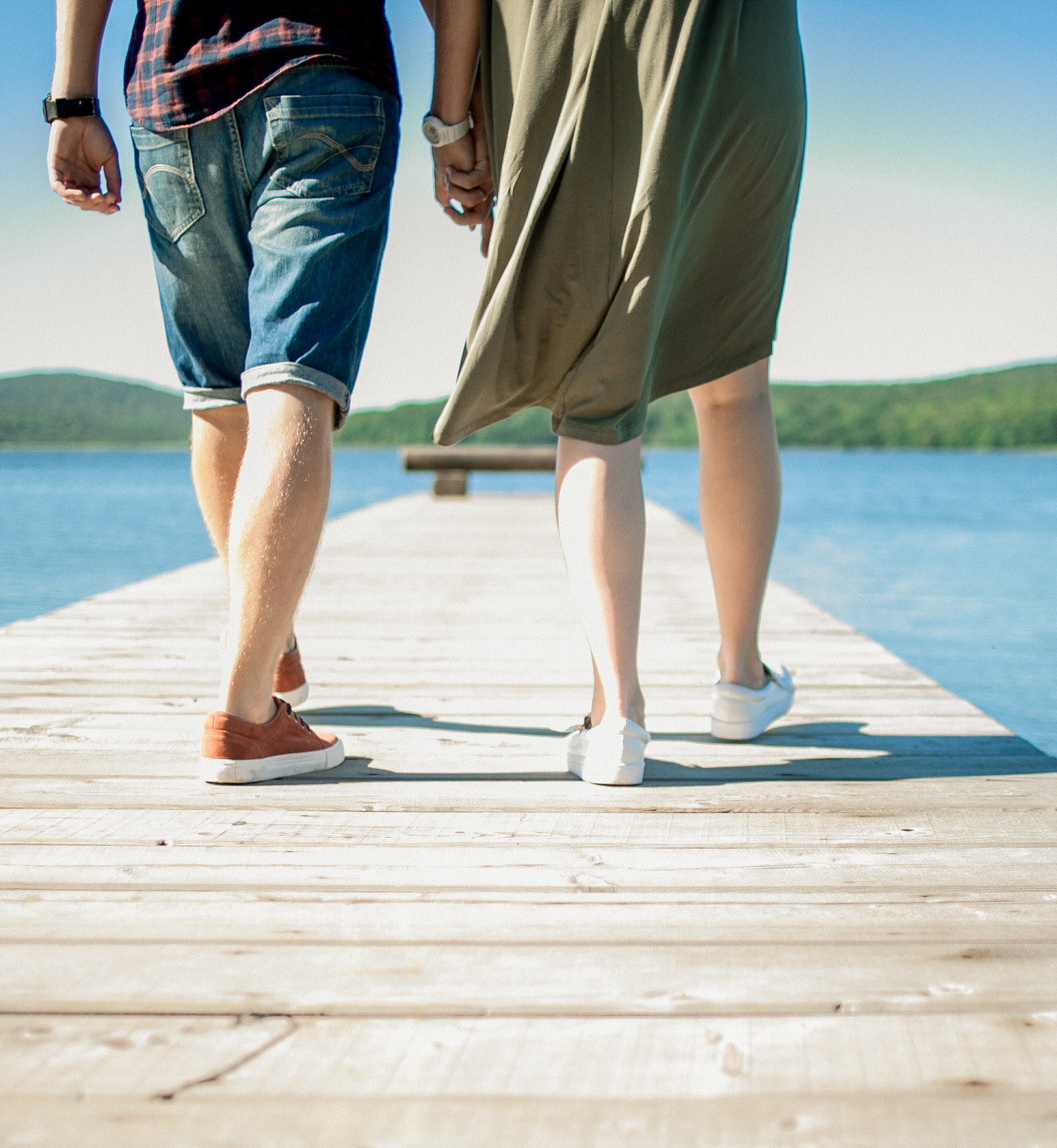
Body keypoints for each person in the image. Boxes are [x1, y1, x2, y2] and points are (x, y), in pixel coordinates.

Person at [422, 0, 806, 787]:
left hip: (580, 44)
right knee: (733, 381)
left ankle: (616, 713)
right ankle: (740, 676)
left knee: (598, 392)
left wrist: (454, 117)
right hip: (745, 48)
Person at [45, 0, 399, 783]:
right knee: (293, 377)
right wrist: (456, 115)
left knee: (216, 388)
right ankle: (245, 715)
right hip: (322, 69)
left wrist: (71, 102)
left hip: (174, 91)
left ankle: (271, 653)